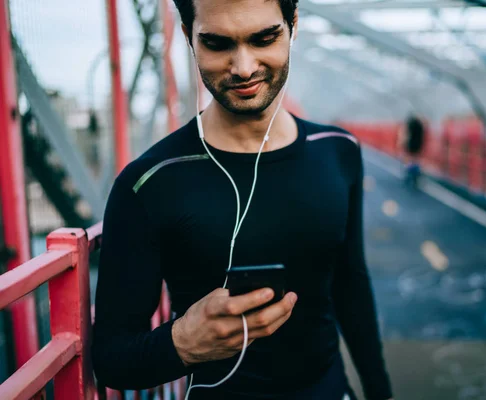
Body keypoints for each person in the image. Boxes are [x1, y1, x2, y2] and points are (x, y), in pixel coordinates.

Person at [91, 0, 393, 399]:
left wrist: (380, 391)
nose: (244, 67)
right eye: (217, 44)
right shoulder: (150, 182)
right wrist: (180, 343)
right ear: (187, 37)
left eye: (264, 38)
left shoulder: (337, 150)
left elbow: (351, 285)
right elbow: (111, 358)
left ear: (293, 25)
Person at [399, 115, 425, 187]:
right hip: (418, 144)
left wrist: (403, 143)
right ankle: (416, 173)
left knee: (409, 159)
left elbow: (407, 134)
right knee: (416, 159)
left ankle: (410, 172)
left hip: (411, 143)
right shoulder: (420, 125)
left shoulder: (411, 124)